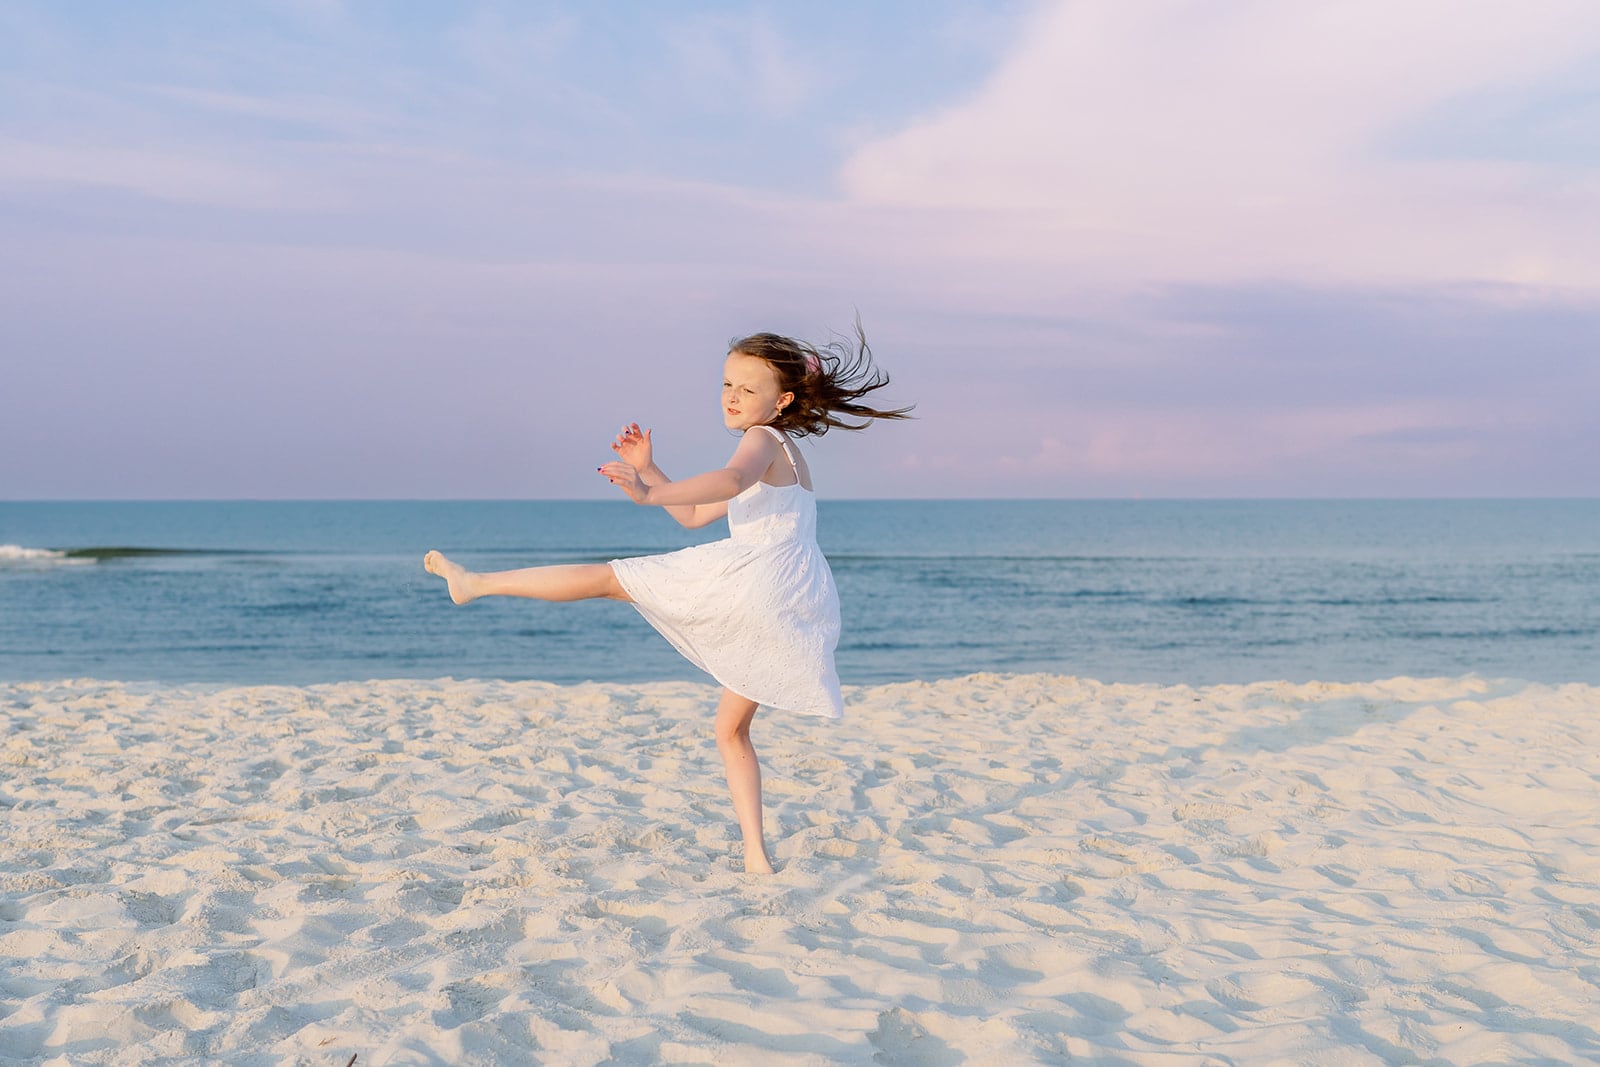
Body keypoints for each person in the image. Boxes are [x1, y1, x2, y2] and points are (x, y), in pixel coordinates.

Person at [423, 322, 911, 874]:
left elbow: (727, 482)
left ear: (783, 401)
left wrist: (647, 492)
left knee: (609, 580)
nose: (732, 397)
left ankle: (477, 584)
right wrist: (648, 469)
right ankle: (755, 856)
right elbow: (693, 516)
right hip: (790, 595)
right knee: (730, 729)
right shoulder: (788, 454)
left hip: (756, 580)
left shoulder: (763, 440)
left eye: (748, 390)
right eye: (727, 384)